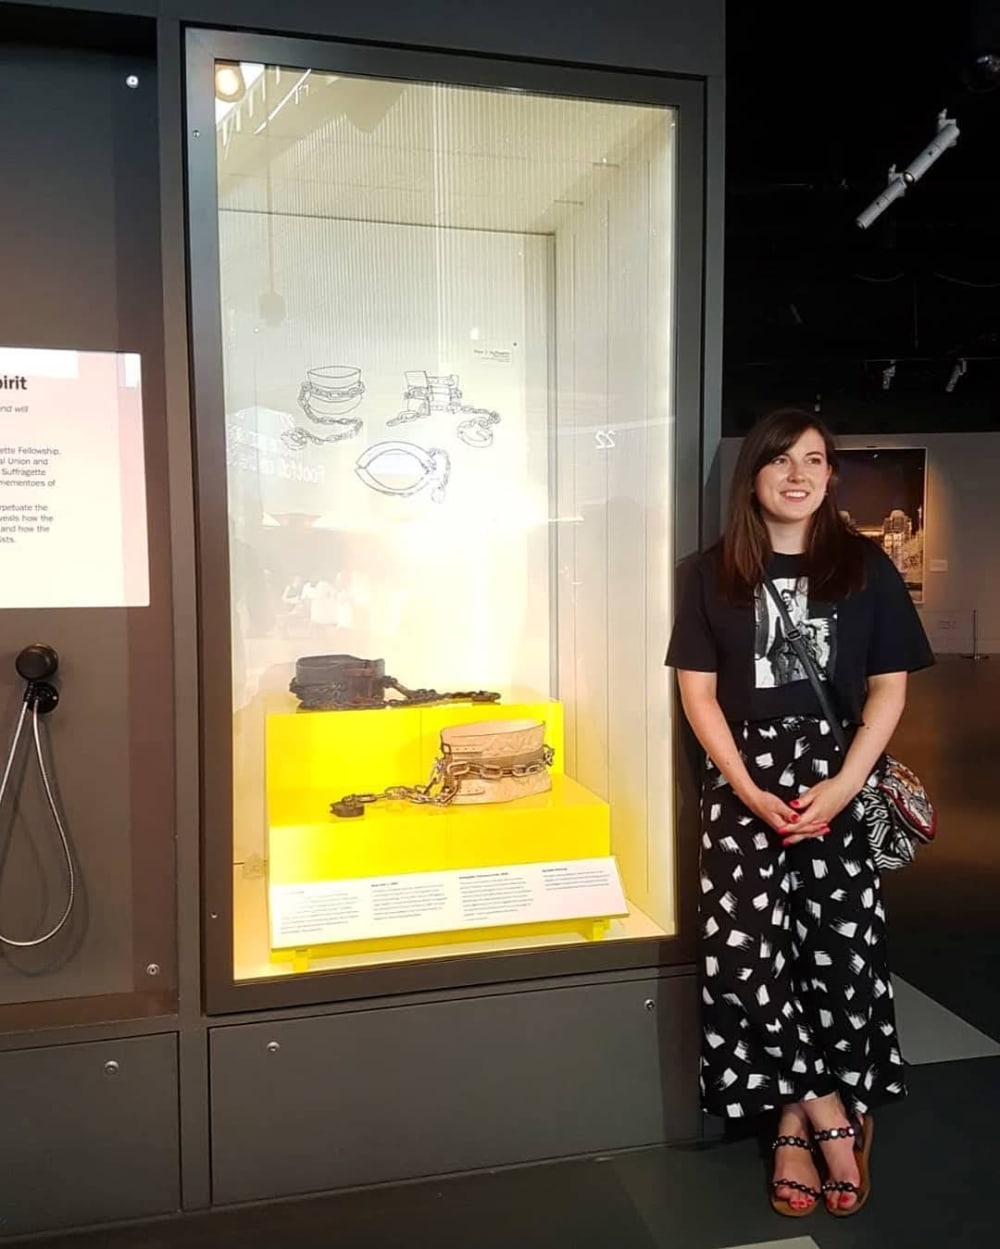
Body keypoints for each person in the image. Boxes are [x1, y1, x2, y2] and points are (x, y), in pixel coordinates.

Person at [666, 408, 933, 1218]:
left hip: (834, 778)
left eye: (814, 461)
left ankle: (792, 1114)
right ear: (754, 475)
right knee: (749, 959)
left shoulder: (865, 567)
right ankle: (824, 1110)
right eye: (780, 460)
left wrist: (848, 782)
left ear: (829, 477)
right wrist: (745, 788)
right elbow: (698, 691)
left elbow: (889, 683)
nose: (797, 474)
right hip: (743, 785)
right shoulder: (710, 571)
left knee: (838, 953)